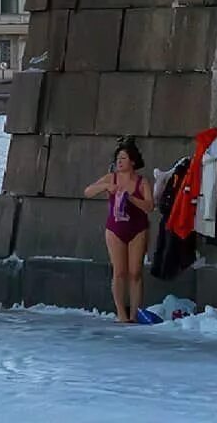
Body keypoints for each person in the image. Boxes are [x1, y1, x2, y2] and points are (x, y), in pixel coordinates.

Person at [84, 136, 154, 323]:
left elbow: (149, 206)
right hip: (115, 229)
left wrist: (131, 198)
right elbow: (88, 191)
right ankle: (121, 313)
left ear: (132, 161)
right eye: (117, 159)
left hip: (138, 228)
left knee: (135, 272)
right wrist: (106, 187)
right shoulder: (111, 178)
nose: (119, 162)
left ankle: (135, 313)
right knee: (119, 271)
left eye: (123, 158)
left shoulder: (142, 182)